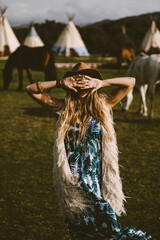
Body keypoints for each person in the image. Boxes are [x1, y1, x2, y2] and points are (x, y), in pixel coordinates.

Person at [26, 62, 152, 239]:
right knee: (80, 227)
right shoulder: (63, 107)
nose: (82, 84)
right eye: (78, 81)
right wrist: (61, 83)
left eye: (86, 80)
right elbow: (31, 89)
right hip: (72, 178)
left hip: (95, 176)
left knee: (107, 222)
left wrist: (101, 83)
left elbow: (130, 81)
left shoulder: (103, 104)